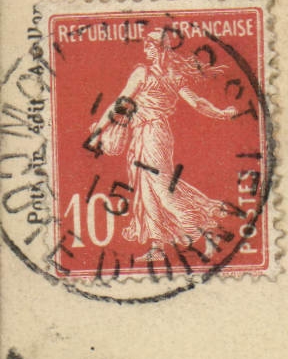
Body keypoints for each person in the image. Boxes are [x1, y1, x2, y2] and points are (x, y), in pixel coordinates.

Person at [94, 27, 238, 261]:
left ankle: (204, 232)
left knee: (162, 190)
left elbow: (196, 103)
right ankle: (157, 247)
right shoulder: (162, 75)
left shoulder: (150, 74)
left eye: (150, 47)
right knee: (145, 190)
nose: (146, 51)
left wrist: (100, 129)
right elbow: (122, 103)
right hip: (142, 135)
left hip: (154, 134)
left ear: (161, 49)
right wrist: (221, 113)